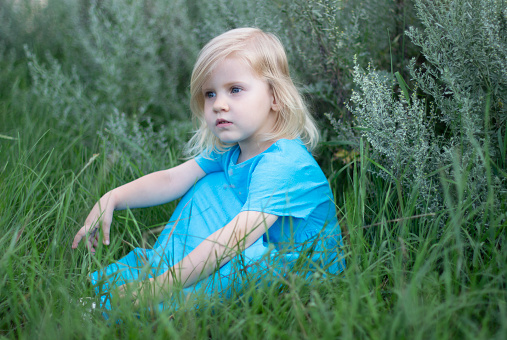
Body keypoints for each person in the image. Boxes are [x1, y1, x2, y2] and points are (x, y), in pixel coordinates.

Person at [72, 27, 345, 311]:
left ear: (275, 97)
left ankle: (154, 299)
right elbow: (171, 179)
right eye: (210, 94)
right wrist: (113, 197)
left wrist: (158, 289)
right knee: (209, 186)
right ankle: (153, 274)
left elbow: (233, 239)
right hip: (259, 249)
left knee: (231, 260)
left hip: (299, 275)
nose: (219, 105)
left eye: (235, 90)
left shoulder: (285, 164)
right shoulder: (231, 149)